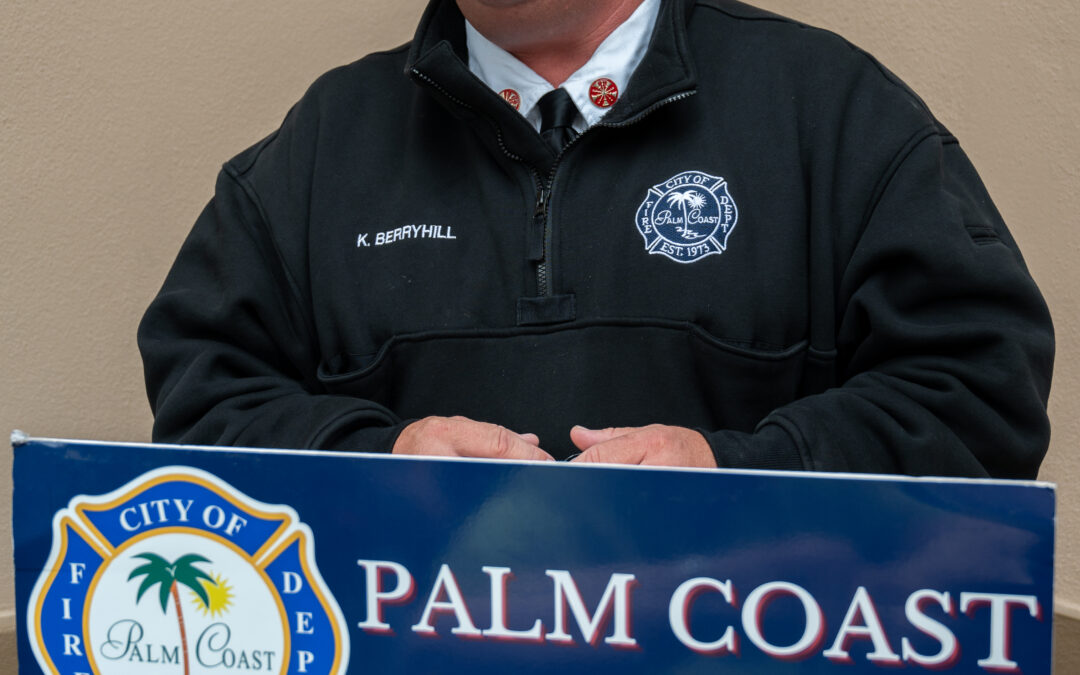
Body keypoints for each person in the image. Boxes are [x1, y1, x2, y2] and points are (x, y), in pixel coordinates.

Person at [138, 0, 1054, 477]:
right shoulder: (319, 150)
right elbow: (202, 406)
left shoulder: (835, 116)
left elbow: (980, 398)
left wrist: (737, 469)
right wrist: (376, 464)